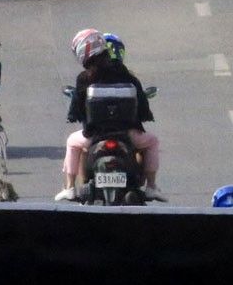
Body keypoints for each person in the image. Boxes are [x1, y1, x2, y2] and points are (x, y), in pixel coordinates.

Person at [63, 29, 160, 191]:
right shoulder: (123, 72)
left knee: (72, 142)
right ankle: (150, 186)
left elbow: (77, 108)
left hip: (92, 136)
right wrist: (144, 115)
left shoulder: (84, 78)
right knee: (152, 142)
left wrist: (74, 116)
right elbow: (141, 99)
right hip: (127, 134)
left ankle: (70, 187)